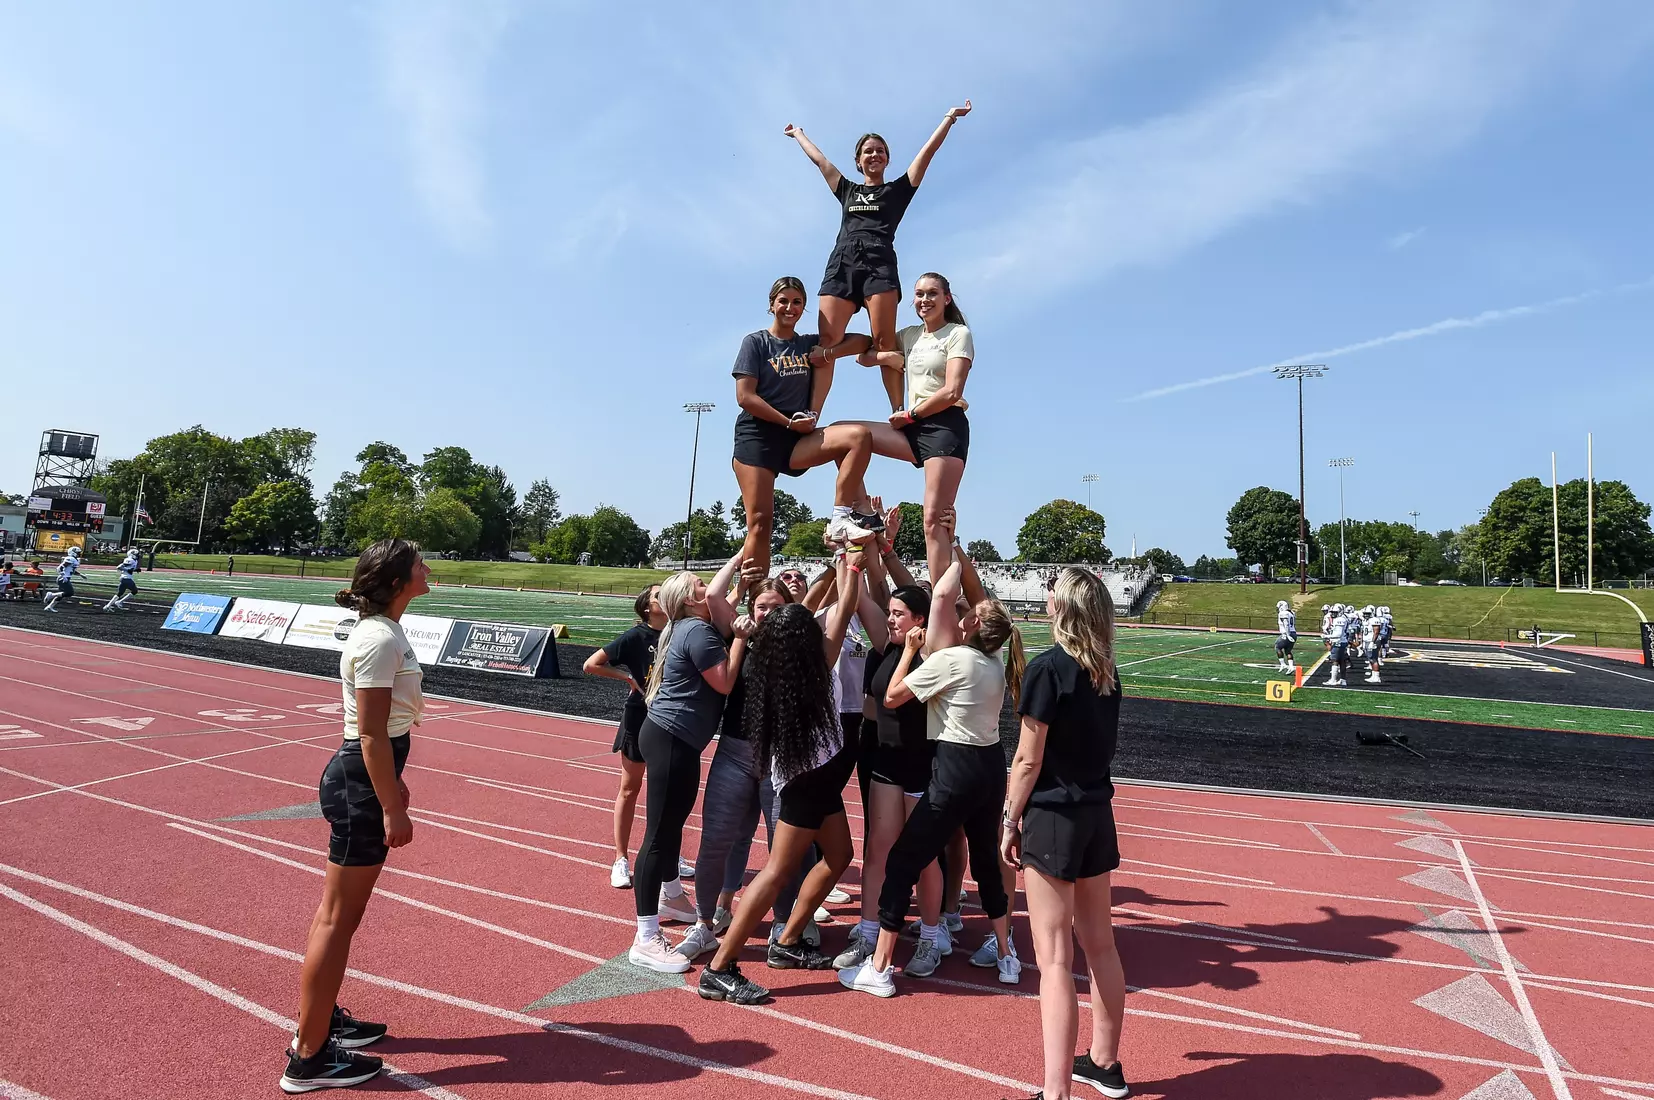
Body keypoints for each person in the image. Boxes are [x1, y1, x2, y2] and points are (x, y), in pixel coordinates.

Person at [280, 538, 430, 1094]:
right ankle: (308, 1057)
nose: (427, 568)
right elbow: (368, 734)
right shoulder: (377, 640)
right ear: (396, 582)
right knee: (336, 920)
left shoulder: (385, 632)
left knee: (339, 917)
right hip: (359, 784)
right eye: (418, 563)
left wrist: (395, 782)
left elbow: (385, 731)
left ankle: (322, 1019)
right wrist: (390, 805)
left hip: (369, 776)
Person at [840, 553, 1026, 998]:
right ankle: (1007, 956)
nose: (958, 616)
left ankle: (879, 967)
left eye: (967, 615)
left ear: (973, 626)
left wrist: (951, 550)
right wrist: (958, 556)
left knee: (903, 861)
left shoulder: (952, 660)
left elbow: (892, 696)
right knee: (986, 862)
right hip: (990, 766)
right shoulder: (995, 657)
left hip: (955, 767)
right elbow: (955, 597)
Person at [699, 552, 864, 1003]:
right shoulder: (817, 664)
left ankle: (788, 940)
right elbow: (844, 610)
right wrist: (850, 566)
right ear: (803, 638)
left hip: (818, 780)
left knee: (840, 855)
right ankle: (720, 968)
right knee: (776, 871)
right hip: (805, 783)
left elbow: (837, 609)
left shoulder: (783, 664)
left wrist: (848, 566)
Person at [1001, 567, 1130, 1100]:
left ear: (1064, 606)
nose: (1047, 595)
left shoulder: (1047, 669)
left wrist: (1009, 820)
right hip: (1097, 814)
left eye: (1052, 590)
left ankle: (1056, 1091)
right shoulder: (1107, 672)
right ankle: (1104, 1062)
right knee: (1101, 946)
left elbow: (1027, 759)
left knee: (1054, 959)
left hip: (1054, 817)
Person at [783, 104, 971, 412]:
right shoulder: (847, 189)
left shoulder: (897, 190)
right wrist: (798, 134)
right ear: (858, 161)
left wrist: (949, 119)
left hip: (879, 263)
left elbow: (926, 154)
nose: (874, 155)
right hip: (842, 262)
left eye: (880, 151)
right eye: (868, 151)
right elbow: (821, 161)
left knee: (884, 342)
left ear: (887, 159)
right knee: (828, 338)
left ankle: (897, 410)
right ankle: (812, 412)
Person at [628, 571, 748, 973]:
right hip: (672, 738)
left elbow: (720, 597)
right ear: (689, 599)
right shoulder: (697, 630)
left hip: (673, 737)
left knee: (670, 828)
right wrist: (741, 639)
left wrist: (740, 571)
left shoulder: (688, 625)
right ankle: (646, 937)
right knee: (657, 836)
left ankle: (672, 895)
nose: (707, 586)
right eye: (699, 584)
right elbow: (725, 683)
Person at [733, 277, 890, 572]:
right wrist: (788, 423)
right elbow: (745, 397)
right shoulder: (755, 342)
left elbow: (863, 341)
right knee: (760, 522)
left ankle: (842, 515)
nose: (789, 307)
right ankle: (755, 592)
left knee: (857, 437)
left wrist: (828, 352)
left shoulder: (808, 344)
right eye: (783, 301)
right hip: (758, 437)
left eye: (797, 302)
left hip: (797, 439)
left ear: (804, 307)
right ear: (771, 305)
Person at [856, 273, 976, 586]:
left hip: (943, 426)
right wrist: (889, 357)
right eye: (919, 294)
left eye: (932, 293)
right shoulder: (909, 335)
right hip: (910, 426)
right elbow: (863, 357)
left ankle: (941, 600)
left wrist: (910, 415)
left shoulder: (958, 333)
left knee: (933, 520)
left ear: (946, 298)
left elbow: (952, 390)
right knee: (848, 435)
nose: (925, 300)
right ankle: (859, 512)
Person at [582, 585, 666, 888]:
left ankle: (667, 853)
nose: (665, 597)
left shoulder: (681, 631)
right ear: (646, 607)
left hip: (671, 719)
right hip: (639, 717)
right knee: (630, 789)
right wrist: (627, 676)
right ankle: (621, 858)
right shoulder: (635, 637)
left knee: (666, 792)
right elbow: (591, 664)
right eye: (658, 595)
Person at [41, 546, 85, 613]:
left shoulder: (75, 560)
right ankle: (51, 595)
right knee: (69, 593)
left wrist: (80, 575)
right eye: (77, 552)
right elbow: (59, 568)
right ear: (73, 552)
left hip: (65, 578)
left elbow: (71, 571)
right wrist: (63, 576)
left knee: (61, 594)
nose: (79, 554)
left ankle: (49, 607)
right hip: (63, 579)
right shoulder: (70, 559)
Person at [103, 547, 142, 611]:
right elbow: (119, 567)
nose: (138, 556)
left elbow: (129, 569)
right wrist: (128, 570)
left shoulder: (134, 560)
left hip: (124, 578)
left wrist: (135, 570)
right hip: (126, 579)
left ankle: (107, 606)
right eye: (136, 555)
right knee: (135, 591)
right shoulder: (129, 560)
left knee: (119, 593)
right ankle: (119, 602)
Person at [1275, 599, 1296, 673]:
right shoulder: (1291, 613)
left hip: (1287, 634)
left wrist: (1287, 634)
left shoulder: (1283, 613)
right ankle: (1291, 667)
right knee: (1288, 651)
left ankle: (1283, 664)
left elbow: (1286, 624)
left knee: (1277, 647)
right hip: (1294, 633)